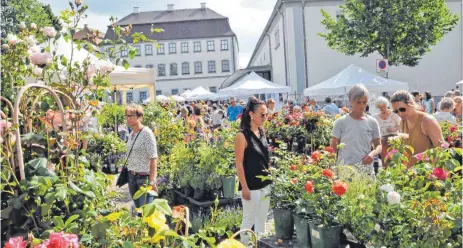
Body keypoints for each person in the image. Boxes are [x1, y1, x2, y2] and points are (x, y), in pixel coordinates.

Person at [234, 96, 272, 242]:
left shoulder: (261, 132)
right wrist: (244, 187)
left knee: (262, 219)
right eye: (262, 114)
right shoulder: (241, 135)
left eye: (266, 114)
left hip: (265, 183)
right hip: (251, 185)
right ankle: (244, 245)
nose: (265, 117)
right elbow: (239, 163)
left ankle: (260, 244)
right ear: (251, 114)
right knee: (249, 220)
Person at [330, 84, 382, 175]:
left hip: (366, 170)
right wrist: (331, 166)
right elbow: (333, 146)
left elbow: (378, 145)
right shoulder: (341, 122)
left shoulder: (372, 122)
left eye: (364, 102)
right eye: (358, 102)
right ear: (351, 101)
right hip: (345, 170)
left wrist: (372, 154)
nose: (362, 105)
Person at [391, 91, 445, 167]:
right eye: (396, 111)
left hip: (427, 172)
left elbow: (441, 149)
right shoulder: (403, 122)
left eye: (402, 109)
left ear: (411, 104)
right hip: (410, 173)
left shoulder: (427, 120)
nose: (400, 114)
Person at [125, 104, 158, 208]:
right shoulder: (131, 135)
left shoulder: (146, 133)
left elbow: (153, 158)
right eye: (126, 116)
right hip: (132, 177)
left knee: (146, 212)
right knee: (139, 210)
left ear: (140, 117)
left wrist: (152, 181)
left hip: (144, 178)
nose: (128, 118)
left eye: (131, 116)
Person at [373, 97, 401, 167]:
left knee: (395, 159)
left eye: (384, 106)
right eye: (380, 107)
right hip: (383, 140)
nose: (383, 109)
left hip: (394, 139)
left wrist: (393, 130)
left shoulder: (394, 114)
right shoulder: (375, 117)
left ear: (387, 105)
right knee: (385, 160)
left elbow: (401, 125)